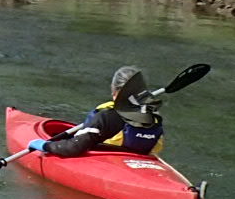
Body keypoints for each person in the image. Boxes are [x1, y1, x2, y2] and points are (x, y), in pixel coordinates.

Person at [23, 67, 165, 158]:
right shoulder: (152, 115)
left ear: (114, 91)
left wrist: (45, 146)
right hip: (141, 160)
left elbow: (73, 149)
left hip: (109, 160)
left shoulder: (106, 117)